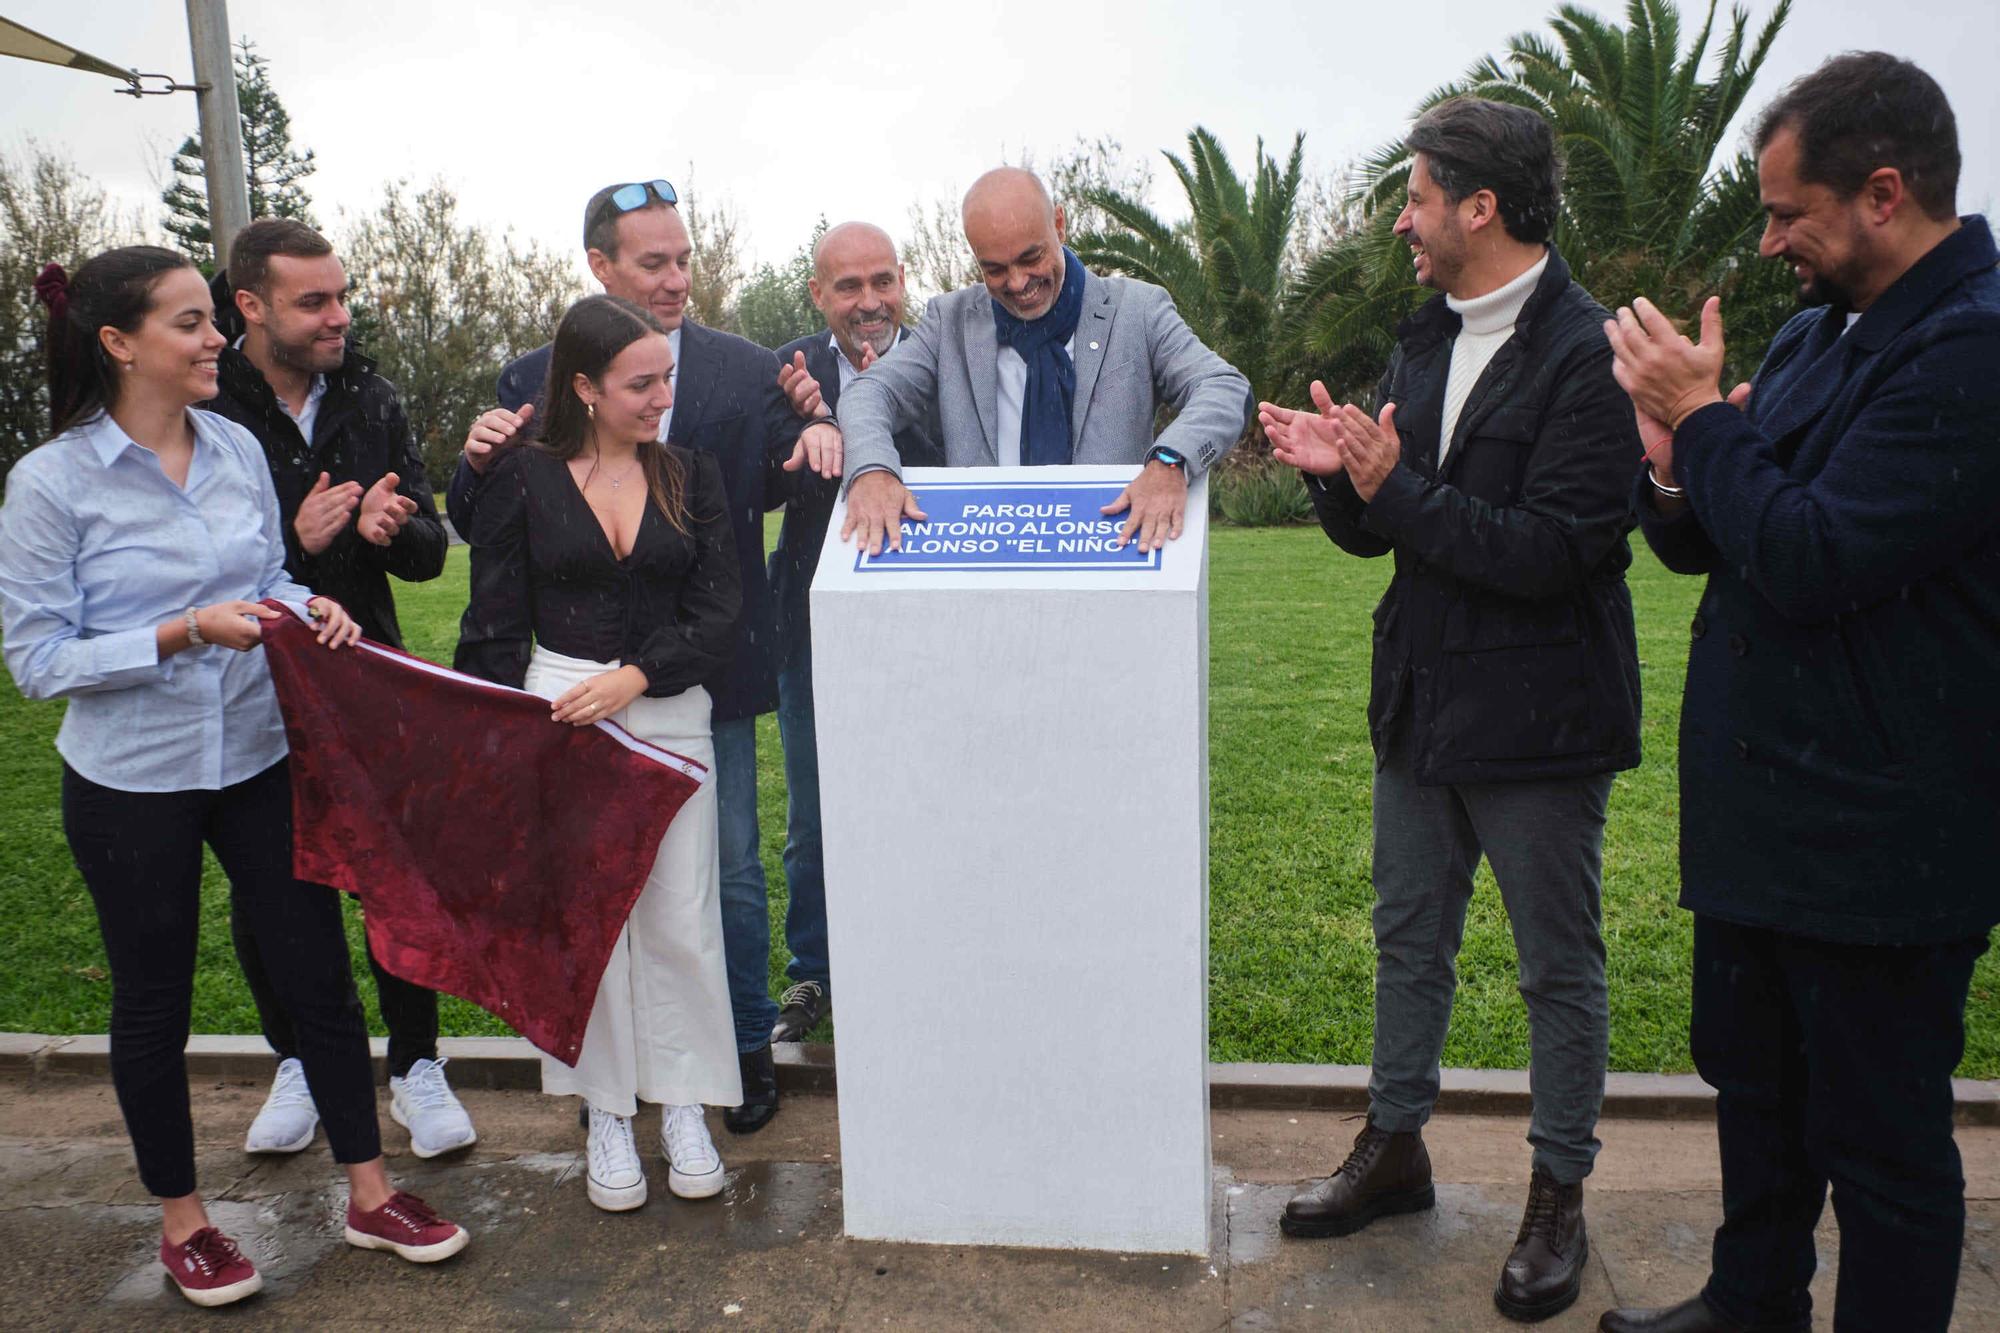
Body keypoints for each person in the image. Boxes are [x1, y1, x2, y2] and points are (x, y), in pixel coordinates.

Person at [1599, 53, 2000, 1333]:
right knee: (1755, 1095)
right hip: (1765, 819)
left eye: (1788, 214)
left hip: (1883, 838)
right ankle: (1750, 1301)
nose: (1769, 240)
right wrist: (1674, 461)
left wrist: (1701, 417)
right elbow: (1716, 535)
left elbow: (1814, 555)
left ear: (1882, 192)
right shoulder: (1817, 334)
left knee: (1881, 1144)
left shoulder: (1970, 352)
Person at [0, 246, 468, 1309]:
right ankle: (185, 1221)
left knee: (318, 976)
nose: (217, 339)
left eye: (214, 319)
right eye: (190, 324)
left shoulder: (233, 449)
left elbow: (264, 578)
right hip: (130, 782)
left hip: (259, 757)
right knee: (154, 998)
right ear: (119, 343)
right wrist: (179, 632)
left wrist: (311, 607)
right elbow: (37, 663)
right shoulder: (49, 484)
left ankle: (369, 1191)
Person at [1260, 98, 1641, 1323]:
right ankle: (1395, 1147)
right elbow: (1387, 529)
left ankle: (1556, 1194)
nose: (1400, 218)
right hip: (1420, 701)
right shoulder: (1421, 337)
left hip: (1538, 718)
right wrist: (1339, 483)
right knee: (1405, 936)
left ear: (1479, 204)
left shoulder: (1587, 352)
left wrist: (1394, 485)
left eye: (1416, 194)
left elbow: (1556, 550)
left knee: (1554, 969)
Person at [453, 180, 811, 1133]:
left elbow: (782, 477)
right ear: (601, 267)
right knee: (592, 885)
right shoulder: (531, 377)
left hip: (707, 670)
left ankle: (736, 1049)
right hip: (572, 688)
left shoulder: (750, 367)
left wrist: (818, 422)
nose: (677, 279)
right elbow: (493, 531)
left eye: (685, 258)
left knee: (719, 876)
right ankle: (608, 1088)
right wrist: (472, 460)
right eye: (653, 262)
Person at [455, 294, 745, 1213]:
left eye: (666, 378)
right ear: (583, 387)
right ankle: (608, 1112)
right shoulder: (521, 480)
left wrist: (637, 676)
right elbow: (493, 621)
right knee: (590, 922)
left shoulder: (691, 475)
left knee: (681, 913)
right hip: (561, 715)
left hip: (668, 715)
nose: (662, 395)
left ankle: (686, 1102)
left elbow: (720, 612)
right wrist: (499, 740)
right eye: (640, 382)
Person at [199, 218, 474, 1161]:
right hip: (249, 683)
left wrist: (393, 527)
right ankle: (297, 1060)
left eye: (341, 296)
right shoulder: (208, 403)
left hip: (367, 679)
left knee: (394, 873)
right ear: (250, 305)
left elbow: (435, 556)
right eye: (313, 301)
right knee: (272, 881)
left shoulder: (372, 393)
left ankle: (418, 1064)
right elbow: (191, 571)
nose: (338, 317)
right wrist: (296, 543)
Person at [804, 167, 1250, 553]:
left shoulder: (1139, 310)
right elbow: (869, 392)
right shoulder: (949, 321)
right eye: (994, 269)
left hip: (1112, 566)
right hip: (985, 580)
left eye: (1030, 258)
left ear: (1059, 223)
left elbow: (1222, 387)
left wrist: (1170, 462)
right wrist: (873, 470)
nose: (1017, 283)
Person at [763, 221, 943, 1043]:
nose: (868, 301)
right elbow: (760, 472)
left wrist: (874, 411)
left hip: (926, 623)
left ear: (903, 280)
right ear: (818, 294)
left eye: (882, 282)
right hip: (812, 630)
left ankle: (923, 954)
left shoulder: (942, 356)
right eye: (848, 286)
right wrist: (806, 426)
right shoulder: (788, 369)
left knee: (929, 798)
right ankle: (814, 974)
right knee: (814, 812)